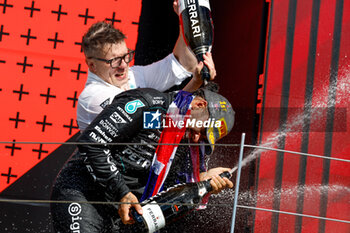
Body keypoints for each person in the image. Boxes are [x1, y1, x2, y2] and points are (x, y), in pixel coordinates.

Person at [50, 62, 234, 232]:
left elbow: (168, 192)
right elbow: (92, 143)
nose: (196, 138)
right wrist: (122, 192)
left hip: (121, 211)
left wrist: (202, 180)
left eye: (203, 139)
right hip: (84, 193)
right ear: (199, 104)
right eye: (201, 131)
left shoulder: (185, 142)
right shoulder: (147, 103)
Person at [77, 1, 216, 131]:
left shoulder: (133, 76)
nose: (124, 66)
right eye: (115, 61)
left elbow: (182, 64)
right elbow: (153, 120)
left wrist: (184, 20)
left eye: (126, 56)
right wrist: (194, 83)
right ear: (92, 65)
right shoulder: (92, 98)